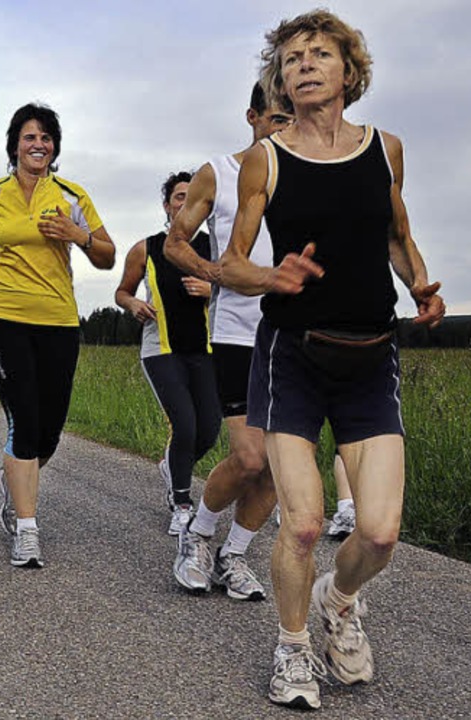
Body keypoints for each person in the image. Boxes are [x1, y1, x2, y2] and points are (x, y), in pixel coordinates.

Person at [221, 10, 445, 710]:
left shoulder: (387, 149)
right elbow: (229, 262)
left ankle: (338, 600)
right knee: (307, 523)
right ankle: (291, 652)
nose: (305, 65)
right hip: (296, 356)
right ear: (281, 82)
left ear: (350, 71)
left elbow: (397, 233)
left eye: (320, 54)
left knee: (378, 534)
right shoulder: (267, 158)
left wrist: (419, 285)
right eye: (292, 59)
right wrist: (270, 277)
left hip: (372, 354)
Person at [163, 82, 294, 602]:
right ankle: (197, 535)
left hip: (298, 337)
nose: (285, 128)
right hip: (239, 332)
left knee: (281, 468)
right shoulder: (218, 172)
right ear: (253, 117)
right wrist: (215, 273)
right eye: (277, 118)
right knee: (249, 458)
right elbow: (175, 243)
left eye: (292, 119)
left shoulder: (312, 175)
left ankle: (233, 554)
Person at [0, 103, 116, 567]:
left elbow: (107, 256)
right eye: (29, 137)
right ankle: (27, 530)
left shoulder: (73, 195)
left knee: (49, 434)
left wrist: (78, 235)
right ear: (14, 143)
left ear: (55, 147)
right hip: (3, 317)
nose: (38, 144)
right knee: (25, 423)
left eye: (46, 138)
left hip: (58, 321)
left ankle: (14, 481)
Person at [115, 171, 219, 540]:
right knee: (185, 425)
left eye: (193, 197)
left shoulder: (216, 248)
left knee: (209, 429)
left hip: (207, 349)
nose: (185, 203)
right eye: (179, 197)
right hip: (161, 349)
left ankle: (172, 467)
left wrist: (213, 290)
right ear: (167, 205)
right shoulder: (147, 247)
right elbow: (122, 291)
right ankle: (181, 503)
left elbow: (241, 291)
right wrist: (133, 305)